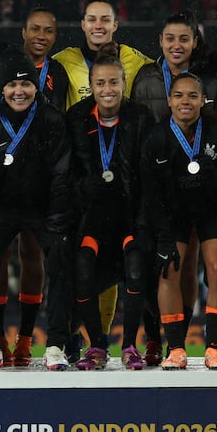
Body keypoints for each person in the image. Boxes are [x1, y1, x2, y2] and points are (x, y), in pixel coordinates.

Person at [0, 55, 73, 371]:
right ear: (2, 88)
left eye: (25, 83)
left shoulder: (52, 120)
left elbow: (61, 173)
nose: (19, 91)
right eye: (12, 84)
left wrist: (57, 220)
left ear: (35, 86)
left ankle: (55, 344)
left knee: (59, 255)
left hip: (41, 209)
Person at [141, 71, 217, 369]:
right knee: (169, 271)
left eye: (193, 95)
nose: (186, 101)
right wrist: (162, 233)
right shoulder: (156, 137)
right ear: (169, 101)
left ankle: (214, 348)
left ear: (202, 101)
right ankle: (175, 348)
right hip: (173, 215)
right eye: (180, 95)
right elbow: (151, 193)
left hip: (213, 211)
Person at [65, 51, 152, 369]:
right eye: (100, 83)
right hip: (91, 218)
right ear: (91, 85)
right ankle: (97, 347)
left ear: (124, 83)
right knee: (83, 271)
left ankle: (130, 346)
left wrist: (144, 222)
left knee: (135, 268)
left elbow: (147, 175)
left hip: (128, 216)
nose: (107, 89)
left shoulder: (140, 117)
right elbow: (69, 173)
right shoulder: (76, 118)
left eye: (113, 82)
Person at [53, 0, 151, 111]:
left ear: (114, 25)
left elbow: (164, 68)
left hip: (122, 126)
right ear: (83, 25)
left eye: (105, 20)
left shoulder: (133, 58)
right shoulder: (64, 59)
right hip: (79, 127)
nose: (98, 26)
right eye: (92, 20)